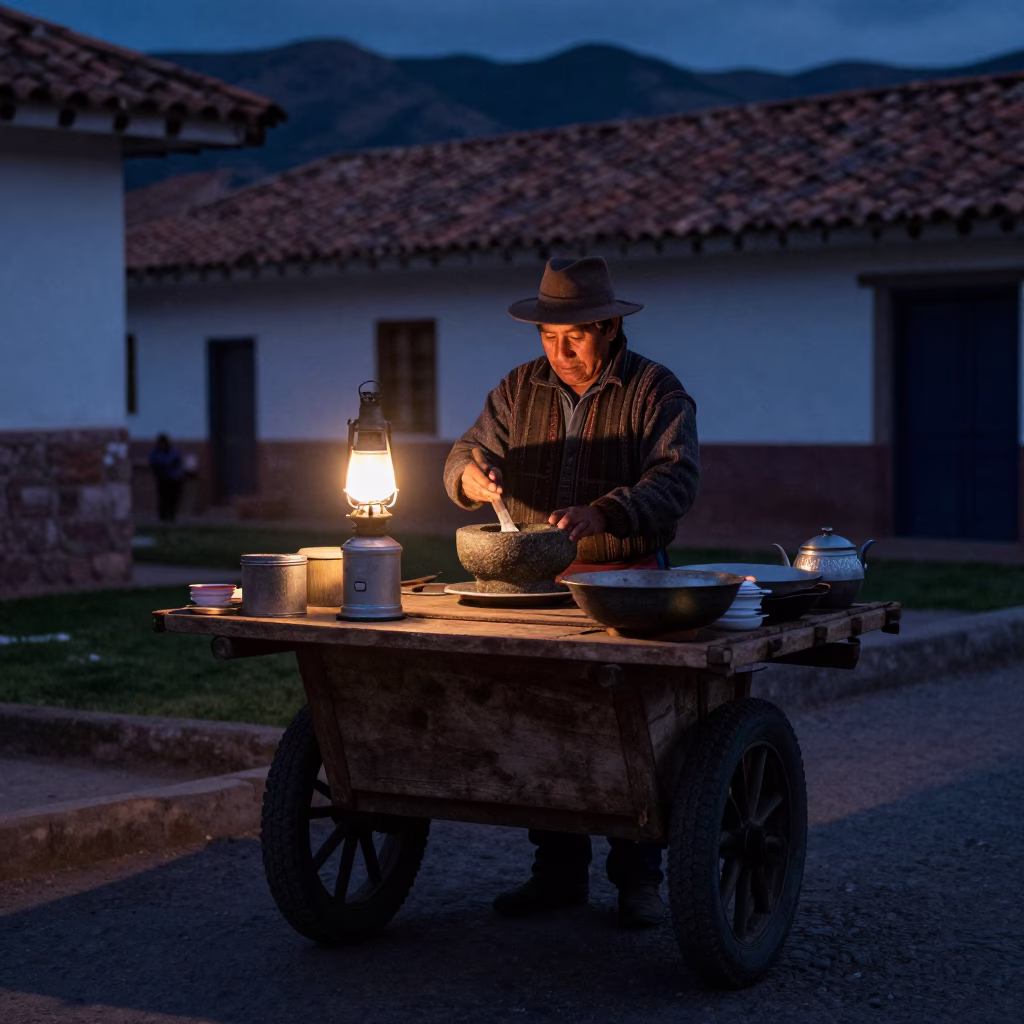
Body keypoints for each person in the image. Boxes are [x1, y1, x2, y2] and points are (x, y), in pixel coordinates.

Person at [443, 256, 700, 928]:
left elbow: (675, 481)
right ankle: (556, 869)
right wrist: (471, 475)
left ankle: (638, 877)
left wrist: (606, 512)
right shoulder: (516, 389)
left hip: (627, 584)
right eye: (549, 336)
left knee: (632, 730)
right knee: (545, 723)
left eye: (577, 336)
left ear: (610, 325)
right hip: (536, 587)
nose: (561, 351)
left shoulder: (656, 392)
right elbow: (462, 453)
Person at [149, 433, 184, 522]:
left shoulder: (173, 451)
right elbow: (154, 461)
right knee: (163, 498)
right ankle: (163, 516)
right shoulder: (156, 451)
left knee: (172, 498)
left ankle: (171, 515)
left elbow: (169, 461)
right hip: (162, 478)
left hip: (173, 478)